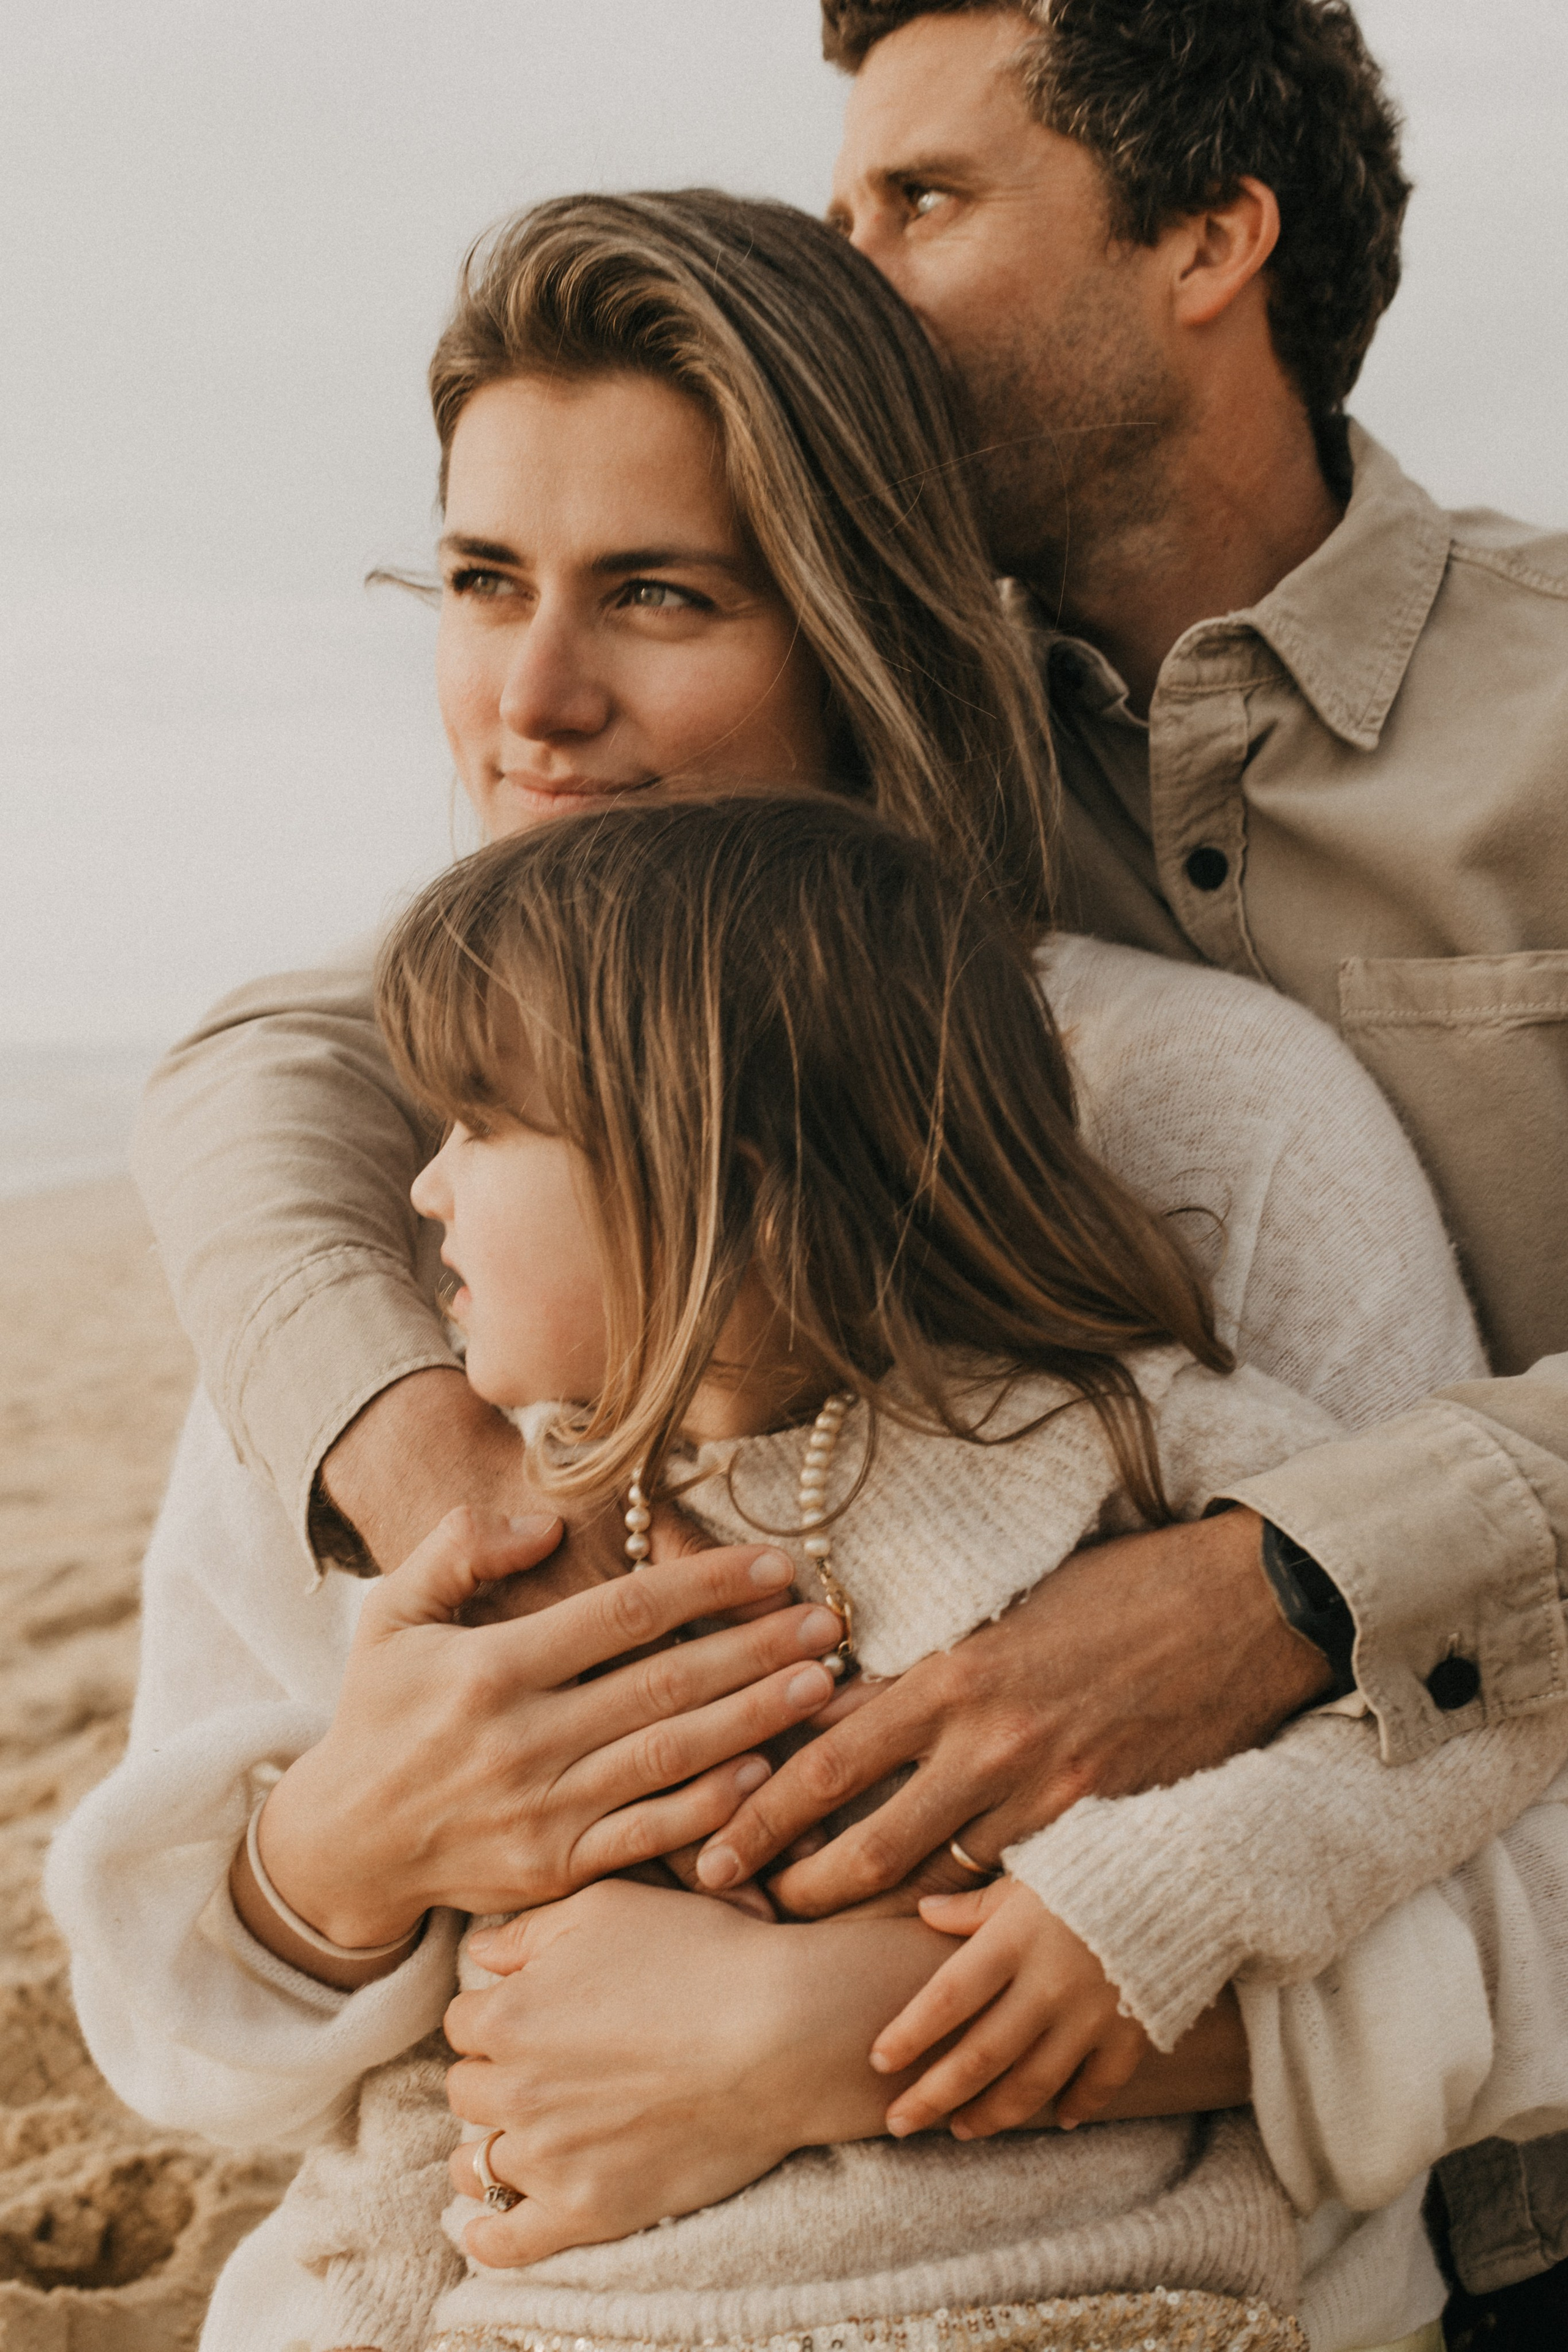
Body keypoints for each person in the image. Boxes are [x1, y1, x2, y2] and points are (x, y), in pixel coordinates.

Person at [114, 186, 1555, 2340]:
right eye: (482, 581)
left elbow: (1503, 1851)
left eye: (661, 597)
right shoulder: (398, 1199)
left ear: (859, 622)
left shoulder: (1201, 1114)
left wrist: (854, 2027)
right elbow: (180, 2040)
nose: (534, 696)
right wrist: (338, 1853)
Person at [51, 796, 1568, 2352]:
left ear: (724, 1178)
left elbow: (1467, 1705)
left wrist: (1141, 1902)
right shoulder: (497, 1559)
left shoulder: (1125, 1442)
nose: (423, 1189)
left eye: (483, 1130)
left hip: (1087, 2305)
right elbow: (451, 2074)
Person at [800, 7, 1568, 2335]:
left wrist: (1300, 1578)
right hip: (1207, 2142)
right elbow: (293, 1057)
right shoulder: (875, 764)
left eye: (918, 205)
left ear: (1213, 235)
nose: (849, 281)